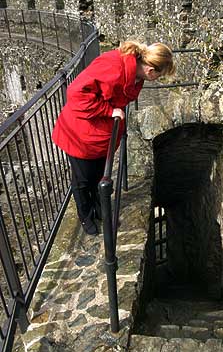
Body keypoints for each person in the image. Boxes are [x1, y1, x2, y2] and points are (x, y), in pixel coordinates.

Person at [52, 40, 175, 235]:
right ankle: (85, 215)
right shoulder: (114, 67)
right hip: (80, 134)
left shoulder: (135, 74)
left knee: (99, 175)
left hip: (100, 135)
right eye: (159, 75)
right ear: (151, 70)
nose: (157, 79)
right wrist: (109, 111)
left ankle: (100, 209)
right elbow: (76, 93)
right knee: (82, 180)